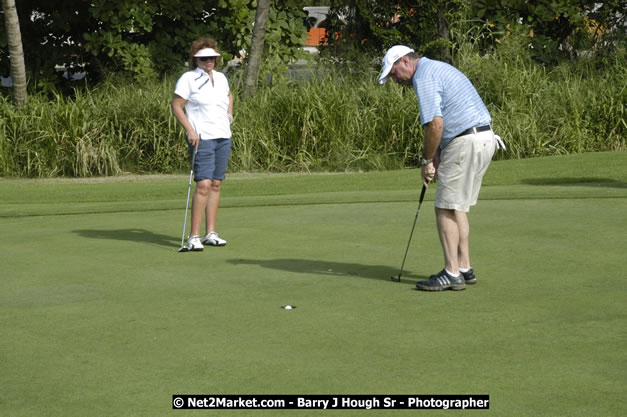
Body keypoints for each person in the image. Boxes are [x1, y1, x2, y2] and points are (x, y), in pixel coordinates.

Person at [378, 45, 505, 291]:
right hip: (483, 138)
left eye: (393, 73)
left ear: (405, 61)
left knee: (444, 207)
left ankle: (451, 272)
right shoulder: (436, 68)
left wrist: (427, 161)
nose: (394, 80)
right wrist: (436, 154)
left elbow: (435, 124)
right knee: (457, 207)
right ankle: (464, 268)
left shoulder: (423, 76)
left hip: (465, 141)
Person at [172, 38, 234, 251]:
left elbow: (229, 95)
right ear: (196, 59)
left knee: (216, 183)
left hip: (223, 136)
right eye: (203, 58)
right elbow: (177, 105)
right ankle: (194, 236)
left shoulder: (221, 77)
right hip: (202, 137)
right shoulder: (188, 78)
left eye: (212, 58)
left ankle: (211, 233)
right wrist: (190, 129)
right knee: (204, 184)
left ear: (217, 59)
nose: (208, 61)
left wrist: (229, 115)